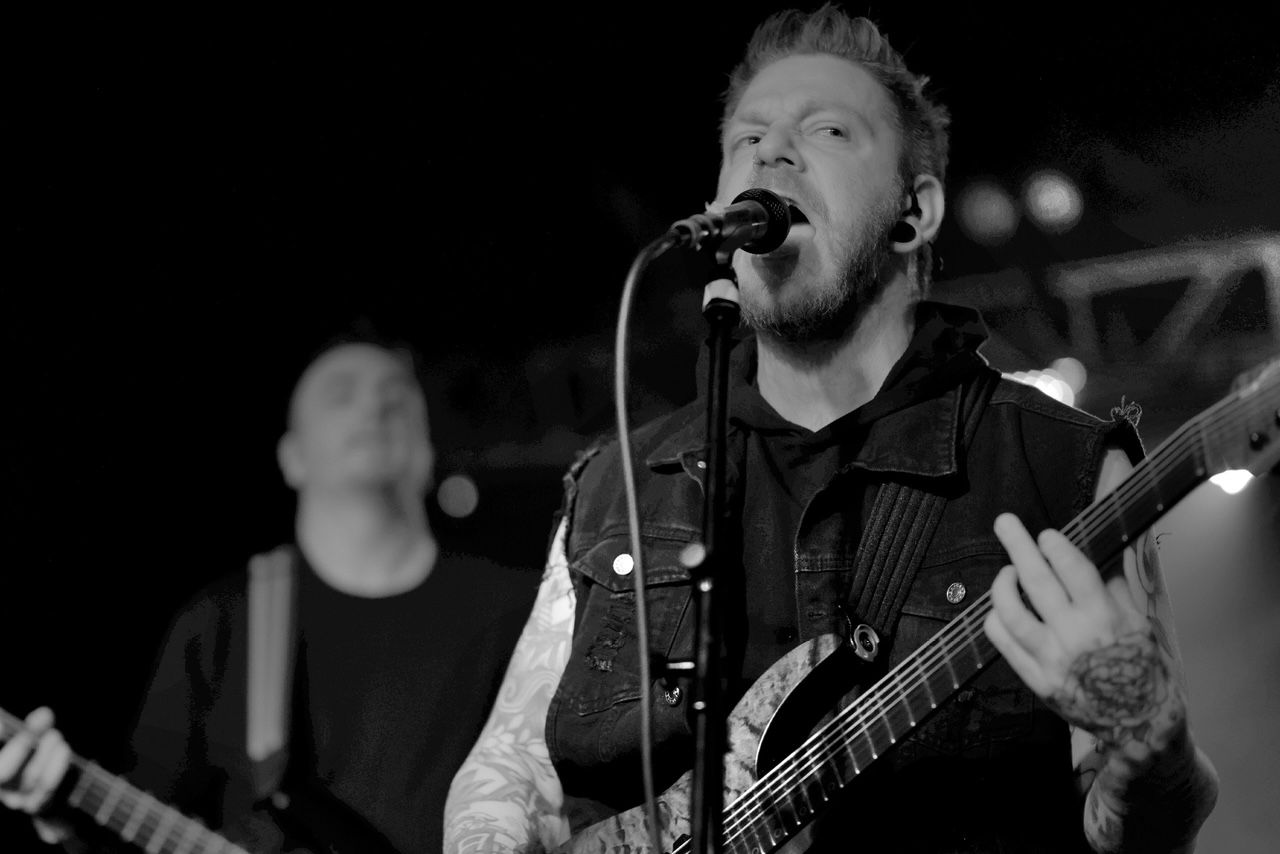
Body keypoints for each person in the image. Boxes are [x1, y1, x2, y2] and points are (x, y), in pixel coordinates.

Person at [443, 6, 1220, 853]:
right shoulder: (616, 487)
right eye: (747, 138)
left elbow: (1146, 829)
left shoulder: (1062, 468)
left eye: (828, 130)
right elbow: (509, 770)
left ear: (913, 212)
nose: (771, 152)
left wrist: (1149, 742)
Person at [0, 332, 538, 853]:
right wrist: (62, 810)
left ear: (428, 449)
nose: (373, 406)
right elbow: (143, 815)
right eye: (341, 395)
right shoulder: (220, 623)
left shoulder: (524, 612)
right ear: (292, 456)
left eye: (396, 396)